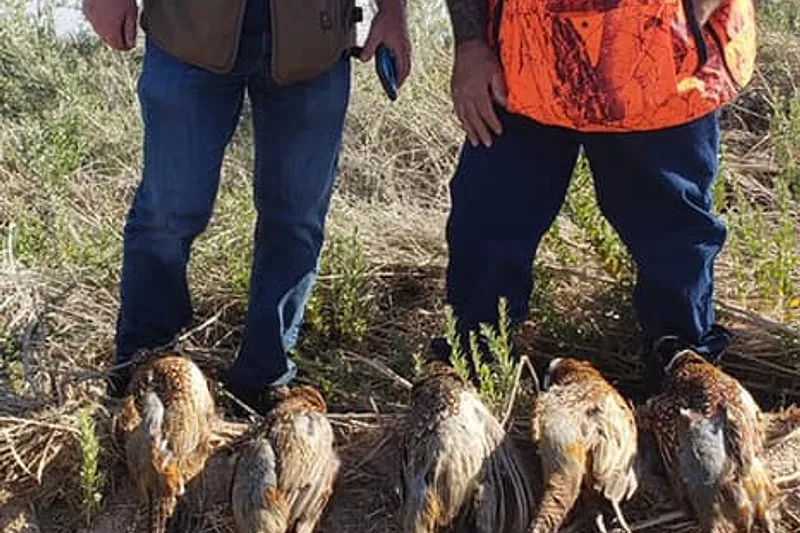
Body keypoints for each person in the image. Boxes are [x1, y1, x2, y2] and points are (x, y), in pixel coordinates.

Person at [82, 0, 411, 412]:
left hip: (315, 40)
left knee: (296, 220)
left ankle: (264, 378)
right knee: (168, 212)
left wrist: (393, 12)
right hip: (188, 31)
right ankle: (145, 370)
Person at [435, 0, 756, 386]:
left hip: (660, 76)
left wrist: (687, 20)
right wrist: (470, 46)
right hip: (520, 66)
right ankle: (475, 372)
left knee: (674, 242)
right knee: (487, 223)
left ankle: (684, 380)